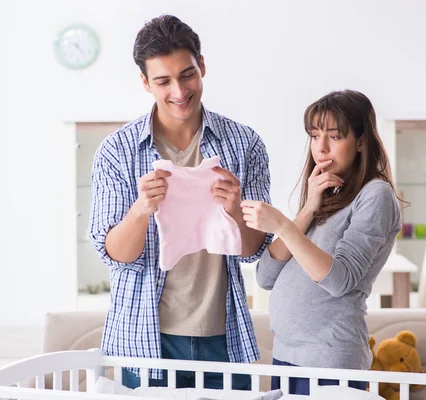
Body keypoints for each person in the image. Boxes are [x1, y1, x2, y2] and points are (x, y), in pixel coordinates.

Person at [89, 15, 272, 390]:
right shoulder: (117, 152)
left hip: (224, 335)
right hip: (145, 337)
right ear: (145, 83)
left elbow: (253, 251)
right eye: (163, 81)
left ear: (202, 67)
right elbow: (114, 253)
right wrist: (141, 210)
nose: (178, 90)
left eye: (187, 75)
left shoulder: (244, 145)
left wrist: (236, 210)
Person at [241, 90, 403, 395]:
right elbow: (265, 276)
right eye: (314, 136)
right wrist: (306, 210)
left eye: (333, 136)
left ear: (361, 141)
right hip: (287, 357)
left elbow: (339, 279)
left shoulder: (375, 195)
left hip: (329, 361)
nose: (321, 148)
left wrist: (282, 226)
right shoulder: (325, 194)